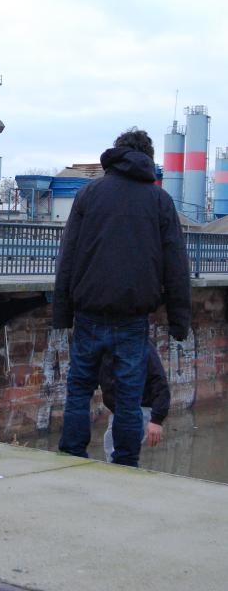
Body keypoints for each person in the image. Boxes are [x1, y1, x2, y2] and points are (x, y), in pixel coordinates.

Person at [52, 128, 191, 467]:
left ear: (116, 154)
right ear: (149, 158)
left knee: (80, 389)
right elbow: (175, 263)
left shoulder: (89, 194)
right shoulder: (159, 201)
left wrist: (61, 314)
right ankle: (125, 465)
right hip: (132, 319)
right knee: (129, 397)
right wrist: (179, 321)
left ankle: (72, 455)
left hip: (88, 313)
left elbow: (67, 256)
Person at [100, 339, 170, 463]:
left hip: (139, 409)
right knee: (113, 448)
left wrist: (156, 420)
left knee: (119, 453)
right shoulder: (105, 342)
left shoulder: (142, 343)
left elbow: (159, 380)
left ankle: (123, 478)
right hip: (119, 410)